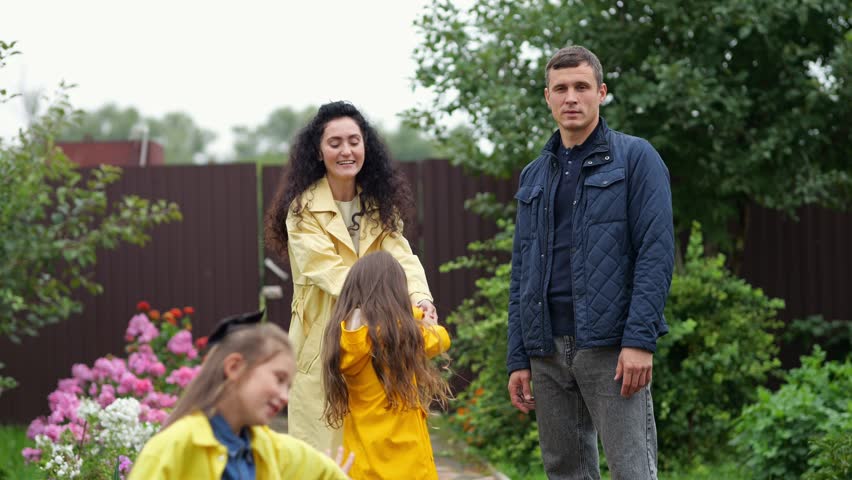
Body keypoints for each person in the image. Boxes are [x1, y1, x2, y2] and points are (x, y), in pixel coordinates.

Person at [506, 45, 674, 479]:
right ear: (547, 97)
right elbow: (522, 269)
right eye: (560, 88)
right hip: (546, 349)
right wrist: (518, 357)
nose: (571, 97)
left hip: (612, 347)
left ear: (601, 92)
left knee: (632, 470)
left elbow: (655, 254)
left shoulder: (636, 159)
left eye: (581, 87)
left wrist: (640, 340)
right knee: (565, 470)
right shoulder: (534, 175)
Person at [265, 101, 437, 453]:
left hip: (378, 343)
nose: (346, 150)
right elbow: (328, 271)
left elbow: (401, 254)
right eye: (335, 143)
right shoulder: (301, 211)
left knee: (376, 451)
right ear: (318, 151)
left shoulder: (378, 204)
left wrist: (421, 298)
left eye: (354, 141)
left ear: (365, 146)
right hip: (323, 345)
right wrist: (386, 305)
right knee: (322, 455)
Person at [128, 311, 351, 479]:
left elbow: (325, 473)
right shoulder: (171, 449)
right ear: (234, 367)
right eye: (279, 379)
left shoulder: (269, 448)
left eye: (289, 386)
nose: (285, 397)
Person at [321, 251, 451, 480]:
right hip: (407, 463)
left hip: (363, 464)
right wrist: (421, 313)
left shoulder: (342, 336)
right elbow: (440, 339)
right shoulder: (400, 334)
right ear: (395, 293)